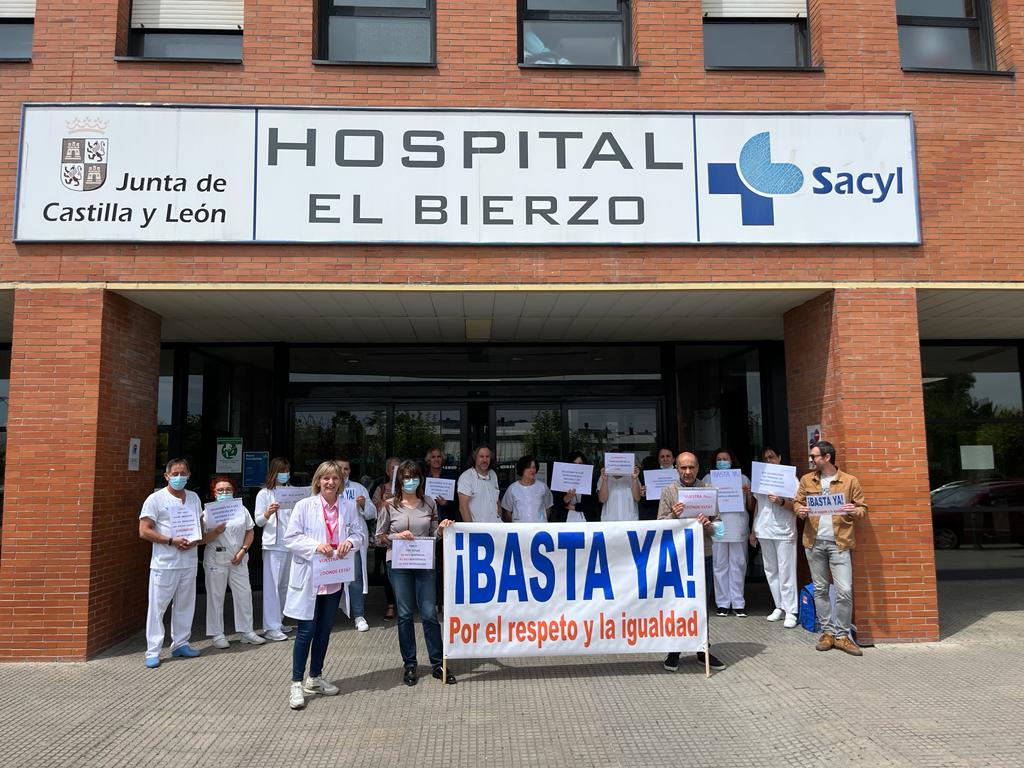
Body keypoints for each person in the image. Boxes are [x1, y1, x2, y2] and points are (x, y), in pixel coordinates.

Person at [283, 460, 364, 710]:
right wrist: (315, 546)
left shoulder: (348, 507)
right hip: (310, 577)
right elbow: (291, 538)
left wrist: (349, 543)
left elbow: (359, 534)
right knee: (306, 631)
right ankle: (296, 682)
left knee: (324, 630)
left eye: (335, 479)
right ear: (318, 481)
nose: (330, 483)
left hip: (333, 577)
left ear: (341, 482)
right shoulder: (304, 506)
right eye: (326, 478)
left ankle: (314, 677)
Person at [376, 460, 456, 685]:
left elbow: (435, 533)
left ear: (420, 479)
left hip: (424, 563)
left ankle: (438, 663)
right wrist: (395, 537)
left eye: (414, 477)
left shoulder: (429, 503)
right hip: (398, 564)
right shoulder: (389, 505)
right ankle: (410, 664)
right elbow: (378, 537)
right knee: (404, 614)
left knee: (430, 613)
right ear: (399, 480)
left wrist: (442, 528)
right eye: (406, 477)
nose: (410, 481)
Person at [794, 440, 868, 657]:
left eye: (814, 456)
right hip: (814, 542)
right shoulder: (807, 480)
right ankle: (827, 632)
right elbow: (797, 502)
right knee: (820, 589)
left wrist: (853, 510)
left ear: (826, 458)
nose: (811, 459)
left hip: (840, 543)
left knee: (844, 590)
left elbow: (863, 508)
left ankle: (843, 635)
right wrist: (800, 511)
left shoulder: (849, 480)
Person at [658, 451, 726, 672]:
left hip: (702, 554)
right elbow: (658, 525)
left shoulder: (708, 491)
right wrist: (673, 517)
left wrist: (709, 526)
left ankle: (702, 649)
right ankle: (675, 650)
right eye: (683, 468)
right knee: (677, 603)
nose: (687, 472)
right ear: (676, 468)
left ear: (698, 468)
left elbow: (720, 529)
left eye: (691, 468)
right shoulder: (669, 491)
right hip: (677, 556)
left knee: (701, 604)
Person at [138, 458, 204, 668]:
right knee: (158, 607)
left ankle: (181, 643)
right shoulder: (155, 499)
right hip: (164, 562)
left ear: (189, 475)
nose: (179, 477)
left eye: (183, 473)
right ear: (166, 476)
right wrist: (169, 541)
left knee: (185, 605)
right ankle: (153, 650)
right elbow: (144, 530)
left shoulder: (193, 498)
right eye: (175, 474)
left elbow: (198, 525)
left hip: (188, 560)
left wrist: (196, 537)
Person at [203, 476, 265, 649]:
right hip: (216, 558)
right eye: (220, 490)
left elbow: (250, 531)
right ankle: (217, 634)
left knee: (244, 594)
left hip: (238, 557)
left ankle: (247, 632)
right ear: (214, 493)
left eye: (228, 490)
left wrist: (243, 550)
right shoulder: (207, 513)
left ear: (234, 491)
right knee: (216, 596)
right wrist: (216, 531)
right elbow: (200, 540)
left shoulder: (241, 509)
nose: (224, 492)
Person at [749, 446, 799, 628]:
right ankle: (779, 606)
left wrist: (780, 501)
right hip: (764, 528)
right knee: (771, 570)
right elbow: (758, 505)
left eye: (771, 457)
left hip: (784, 530)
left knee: (787, 571)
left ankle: (791, 610)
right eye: (765, 458)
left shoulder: (790, 479)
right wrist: (754, 529)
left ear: (779, 457)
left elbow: (798, 506)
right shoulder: (761, 478)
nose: (769, 460)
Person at [705, 447, 755, 618]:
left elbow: (751, 507)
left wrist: (748, 494)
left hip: (738, 525)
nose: (722, 462)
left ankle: (738, 602)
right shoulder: (708, 478)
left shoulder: (742, 478)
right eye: (719, 459)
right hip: (718, 526)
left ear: (732, 460)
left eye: (725, 459)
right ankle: (723, 603)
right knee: (719, 566)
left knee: (738, 565)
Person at [254, 457, 296, 641]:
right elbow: (258, 521)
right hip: (273, 544)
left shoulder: (293, 492)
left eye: (287, 470)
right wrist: (268, 512)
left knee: (285, 585)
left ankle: (278, 620)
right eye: (281, 471)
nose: (285, 474)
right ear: (273, 472)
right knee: (272, 585)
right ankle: (270, 627)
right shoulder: (264, 494)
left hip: (291, 544)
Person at [337, 455, 377, 633]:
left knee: (355, 579)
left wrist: (362, 505)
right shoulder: (327, 487)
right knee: (329, 578)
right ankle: (325, 616)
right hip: (332, 541)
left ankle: (359, 615)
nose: (343, 472)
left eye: (346, 469)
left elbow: (371, 513)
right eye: (340, 468)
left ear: (349, 471)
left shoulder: (359, 488)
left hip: (352, 541)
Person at [425, 447, 460, 607]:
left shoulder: (451, 478)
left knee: (445, 565)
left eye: (439, 456)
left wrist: (447, 503)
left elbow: (457, 505)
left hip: (445, 525)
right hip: (428, 526)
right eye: (433, 456)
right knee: (430, 565)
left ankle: (444, 600)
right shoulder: (423, 478)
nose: (437, 459)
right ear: (428, 460)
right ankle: (432, 599)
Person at [371, 456, 401, 621]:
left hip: (404, 538)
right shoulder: (380, 488)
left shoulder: (408, 489)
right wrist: (383, 501)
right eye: (392, 469)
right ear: (387, 471)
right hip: (385, 538)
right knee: (388, 573)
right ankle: (390, 604)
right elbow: (372, 510)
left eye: (398, 469)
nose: (395, 472)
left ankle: (403, 604)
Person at [501, 455, 554, 523]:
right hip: (520, 530)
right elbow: (507, 510)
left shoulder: (542, 487)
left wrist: (541, 519)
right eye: (528, 467)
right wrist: (516, 523)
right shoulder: (512, 488)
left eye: (534, 467)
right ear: (522, 469)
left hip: (539, 528)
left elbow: (548, 507)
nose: (532, 470)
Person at [458, 444, 501, 523]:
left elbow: (496, 500)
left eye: (487, 457)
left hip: (496, 527)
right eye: (481, 456)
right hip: (478, 529)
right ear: (475, 458)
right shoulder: (466, 477)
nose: (484, 460)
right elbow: (463, 508)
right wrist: (471, 530)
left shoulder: (493, 474)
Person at [551, 451, 598, 523]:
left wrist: (575, 507)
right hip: (565, 521)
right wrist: (567, 497)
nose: (577, 466)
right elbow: (557, 503)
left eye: (580, 464)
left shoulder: (590, 481)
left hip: (587, 521)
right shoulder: (561, 479)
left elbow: (593, 504)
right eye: (574, 463)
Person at [598, 458, 641, 522]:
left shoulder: (632, 476)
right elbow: (602, 499)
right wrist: (605, 480)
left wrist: (634, 479)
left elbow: (637, 498)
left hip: (630, 521)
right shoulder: (604, 477)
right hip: (609, 522)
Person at [639, 447, 675, 520]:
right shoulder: (651, 477)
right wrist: (644, 494)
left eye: (668, 456)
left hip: (676, 513)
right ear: (658, 460)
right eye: (662, 457)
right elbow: (646, 503)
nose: (665, 459)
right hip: (655, 514)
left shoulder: (680, 473)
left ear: (673, 459)